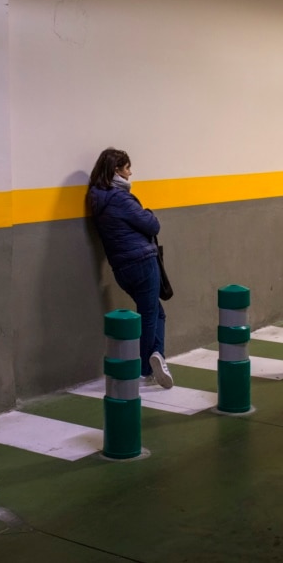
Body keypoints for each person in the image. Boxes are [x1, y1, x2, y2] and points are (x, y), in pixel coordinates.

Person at [87, 148, 173, 389]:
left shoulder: (96, 198)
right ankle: (148, 367)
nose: (130, 173)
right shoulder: (120, 198)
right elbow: (152, 225)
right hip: (143, 262)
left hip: (120, 268)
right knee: (150, 315)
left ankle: (156, 357)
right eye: (127, 168)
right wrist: (148, 212)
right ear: (116, 170)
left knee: (155, 312)